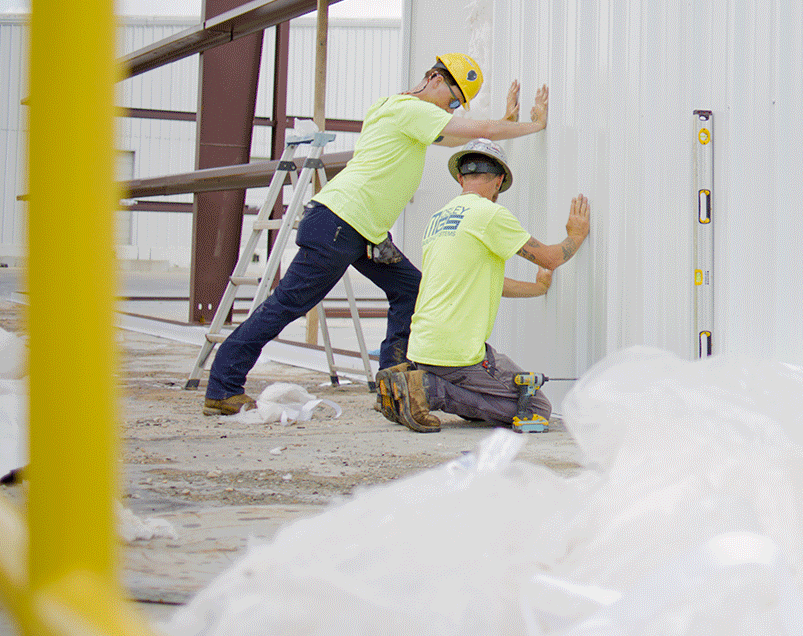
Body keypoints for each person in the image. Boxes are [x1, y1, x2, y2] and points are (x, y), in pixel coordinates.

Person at [202, 53, 552, 415]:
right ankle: (223, 386)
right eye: (452, 99)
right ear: (434, 77)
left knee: (409, 289)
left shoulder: (404, 113)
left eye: (456, 104)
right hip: (339, 223)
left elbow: (458, 137)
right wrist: (532, 125)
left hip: (362, 232)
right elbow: (484, 132)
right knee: (288, 303)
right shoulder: (409, 109)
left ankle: (394, 385)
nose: (452, 107)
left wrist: (504, 121)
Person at [376, 139, 590, 433]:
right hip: (456, 351)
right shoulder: (489, 214)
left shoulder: (439, 219)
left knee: (489, 403)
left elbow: (482, 282)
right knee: (536, 410)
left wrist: (537, 288)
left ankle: (419, 383)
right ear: (499, 181)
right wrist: (576, 236)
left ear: (461, 178)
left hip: (424, 345)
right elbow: (550, 258)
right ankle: (427, 391)